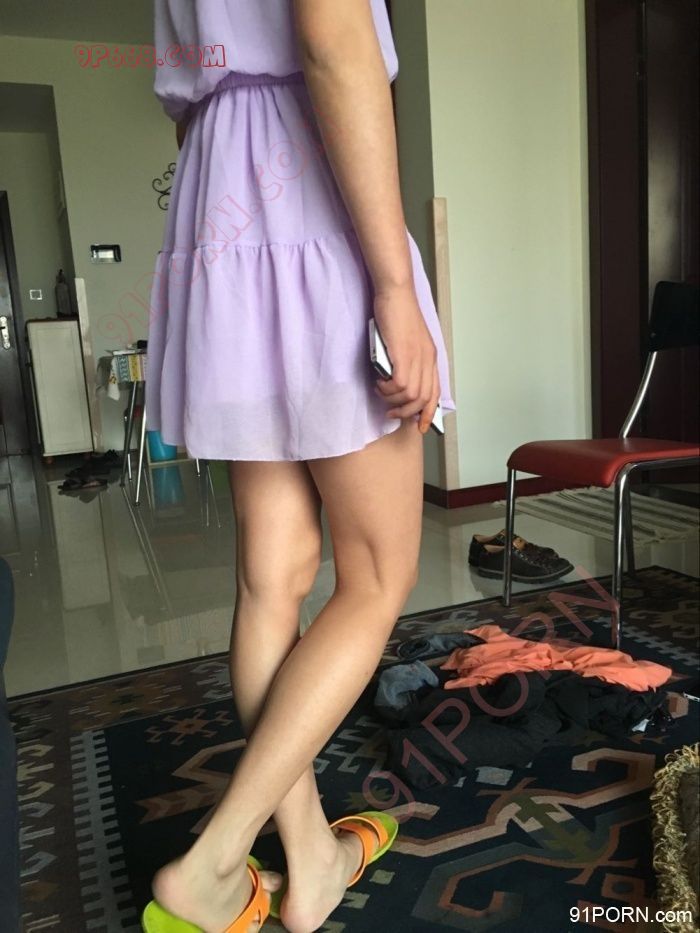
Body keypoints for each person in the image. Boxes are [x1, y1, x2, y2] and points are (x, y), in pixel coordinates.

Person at [144, 1, 456, 931]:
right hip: (309, 180)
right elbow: (330, 39)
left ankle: (312, 853)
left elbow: (188, 89)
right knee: (377, 575)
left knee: (270, 580)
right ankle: (216, 858)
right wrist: (393, 284)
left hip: (221, 201)